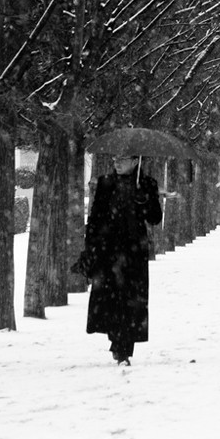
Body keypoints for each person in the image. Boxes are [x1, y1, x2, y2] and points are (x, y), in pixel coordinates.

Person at [80, 154, 164, 365]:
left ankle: (124, 346)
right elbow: (96, 216)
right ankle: (115, 338)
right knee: (109, 299)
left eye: (123, 160)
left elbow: (155, 218)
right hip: (108, 250)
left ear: (136, 161)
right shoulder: (106, 183)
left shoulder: (146, 184)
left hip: (134, 251)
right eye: (115, 159)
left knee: (131, 299)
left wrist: (144, 200)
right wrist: (90, 245)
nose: (117, 163)